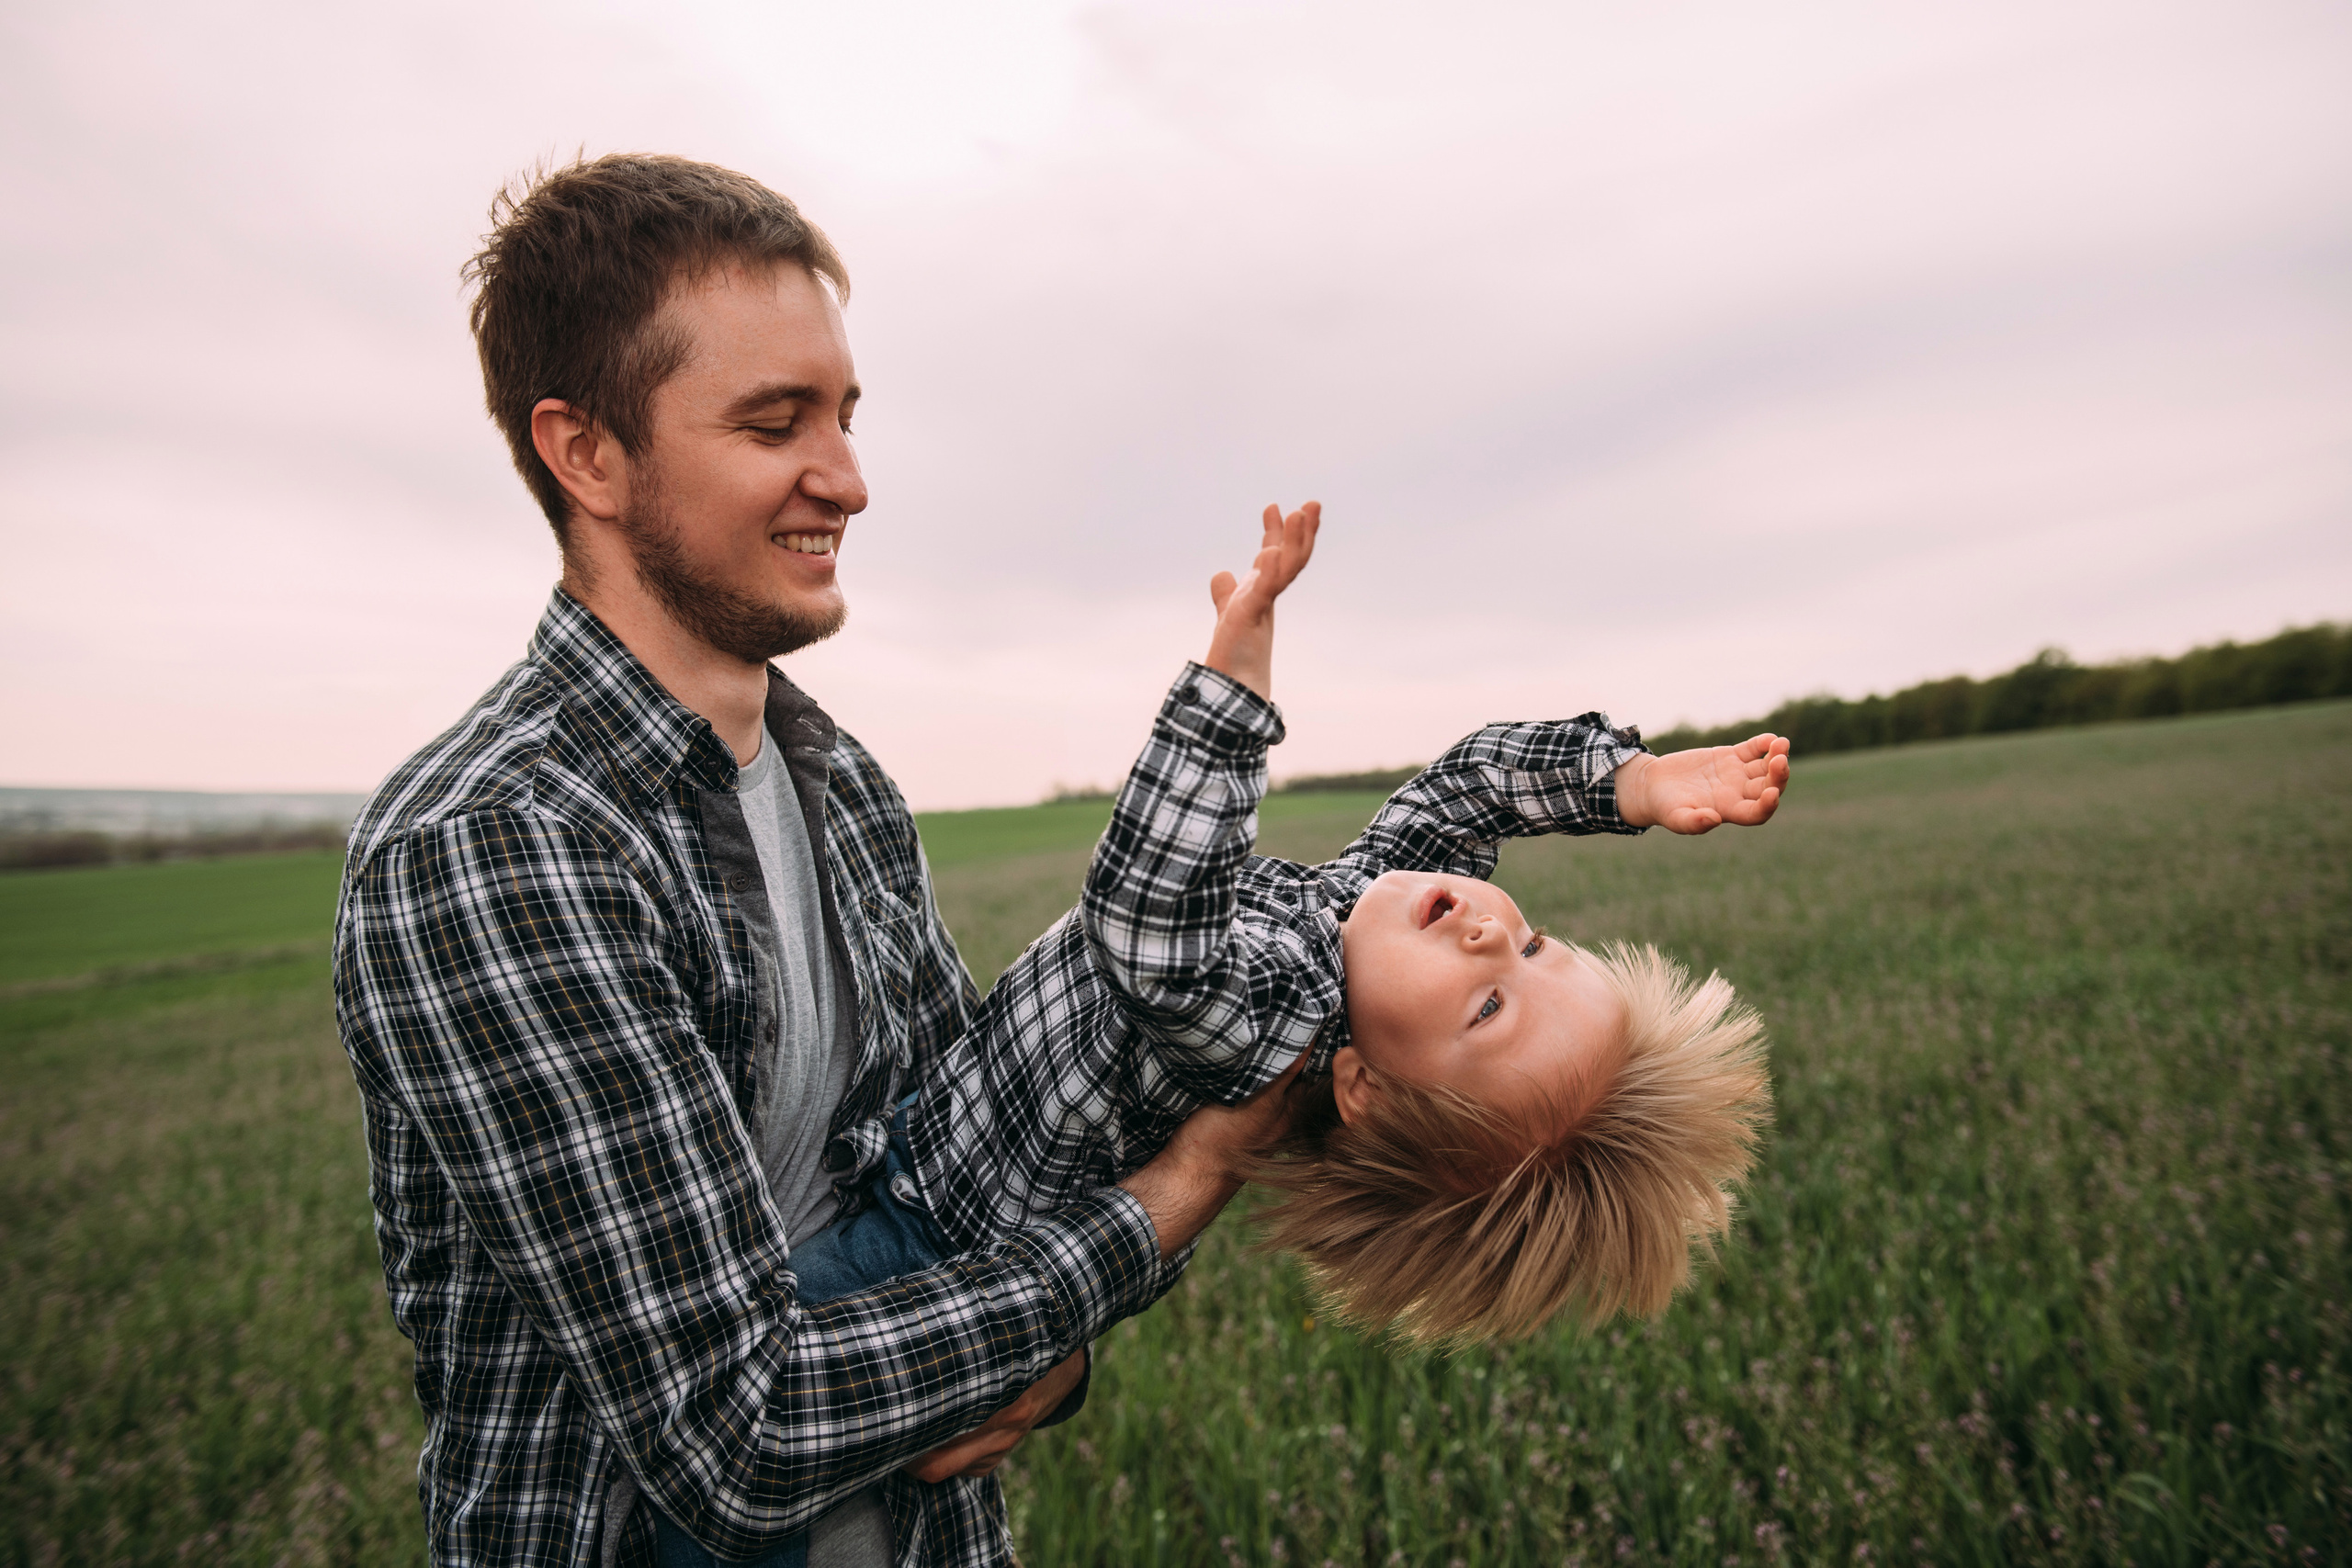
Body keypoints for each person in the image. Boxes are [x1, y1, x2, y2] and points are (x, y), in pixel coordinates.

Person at [334, 153, 1286, 1568]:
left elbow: (971, 1181)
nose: (845, 478)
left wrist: (1053, 1347)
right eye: (776, 422)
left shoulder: (840, 785)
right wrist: (1169, 1200)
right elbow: (742, 1429)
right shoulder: (494, 844)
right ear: (585, 453)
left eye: (842, 415)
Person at [778, 498, 1781, 1414]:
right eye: (1533, 945)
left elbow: (1152, 929)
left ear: (1367, 1093)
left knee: (714, 1429)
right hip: (913, 1126)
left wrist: (1230, 702)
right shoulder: (1364, 924)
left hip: (924, 1254)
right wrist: (1628, 783)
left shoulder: (1266, 1031)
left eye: (1486, 1007)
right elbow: (1467, 790)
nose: (1488, 934)